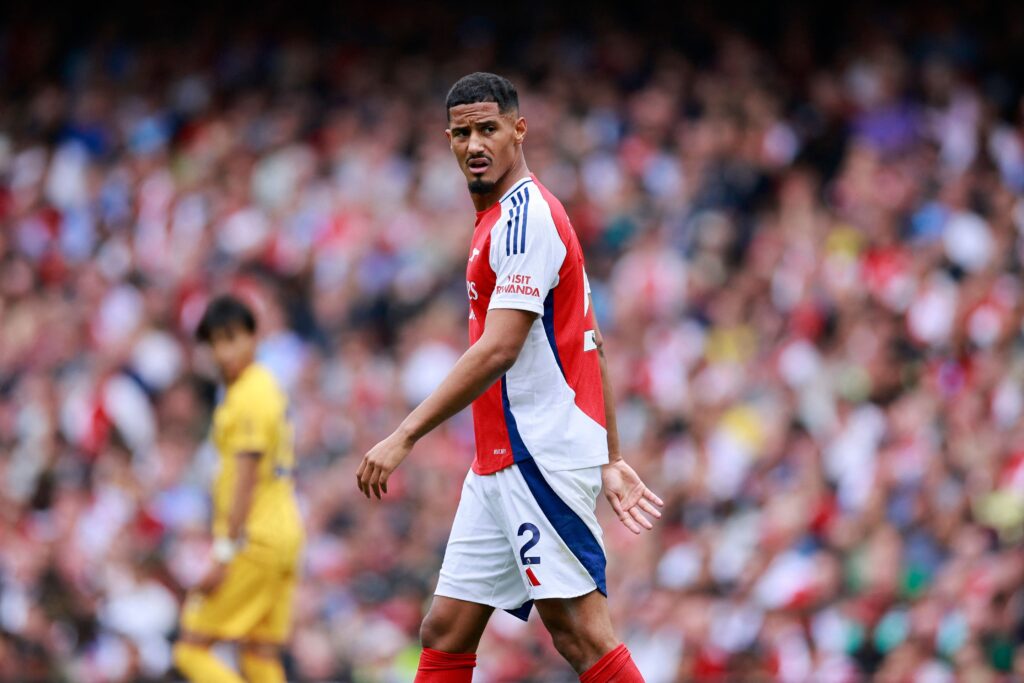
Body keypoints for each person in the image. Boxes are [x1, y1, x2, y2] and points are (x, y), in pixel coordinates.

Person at [356, 72, 663, 683]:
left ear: (518, 131)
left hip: (538, 457)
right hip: (498, 464)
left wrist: (405, 434)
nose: (475, 144)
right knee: (445, 629)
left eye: (488, 129)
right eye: (463, 132)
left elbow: (499, 349)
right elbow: (590, 341)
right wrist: (609, 453)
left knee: (582, 637)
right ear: (448, 140)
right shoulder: (497, 219)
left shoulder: (526, 219)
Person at [173, 295, 304, 683]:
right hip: (284, 535)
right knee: (259, 654)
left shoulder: (249, 395)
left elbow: (245, 479)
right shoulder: (264, 385)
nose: (224, 351)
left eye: (232, 338)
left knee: (190, 648)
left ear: (254, 337)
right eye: (215, 341)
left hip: (253, 539)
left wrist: (223, 553)